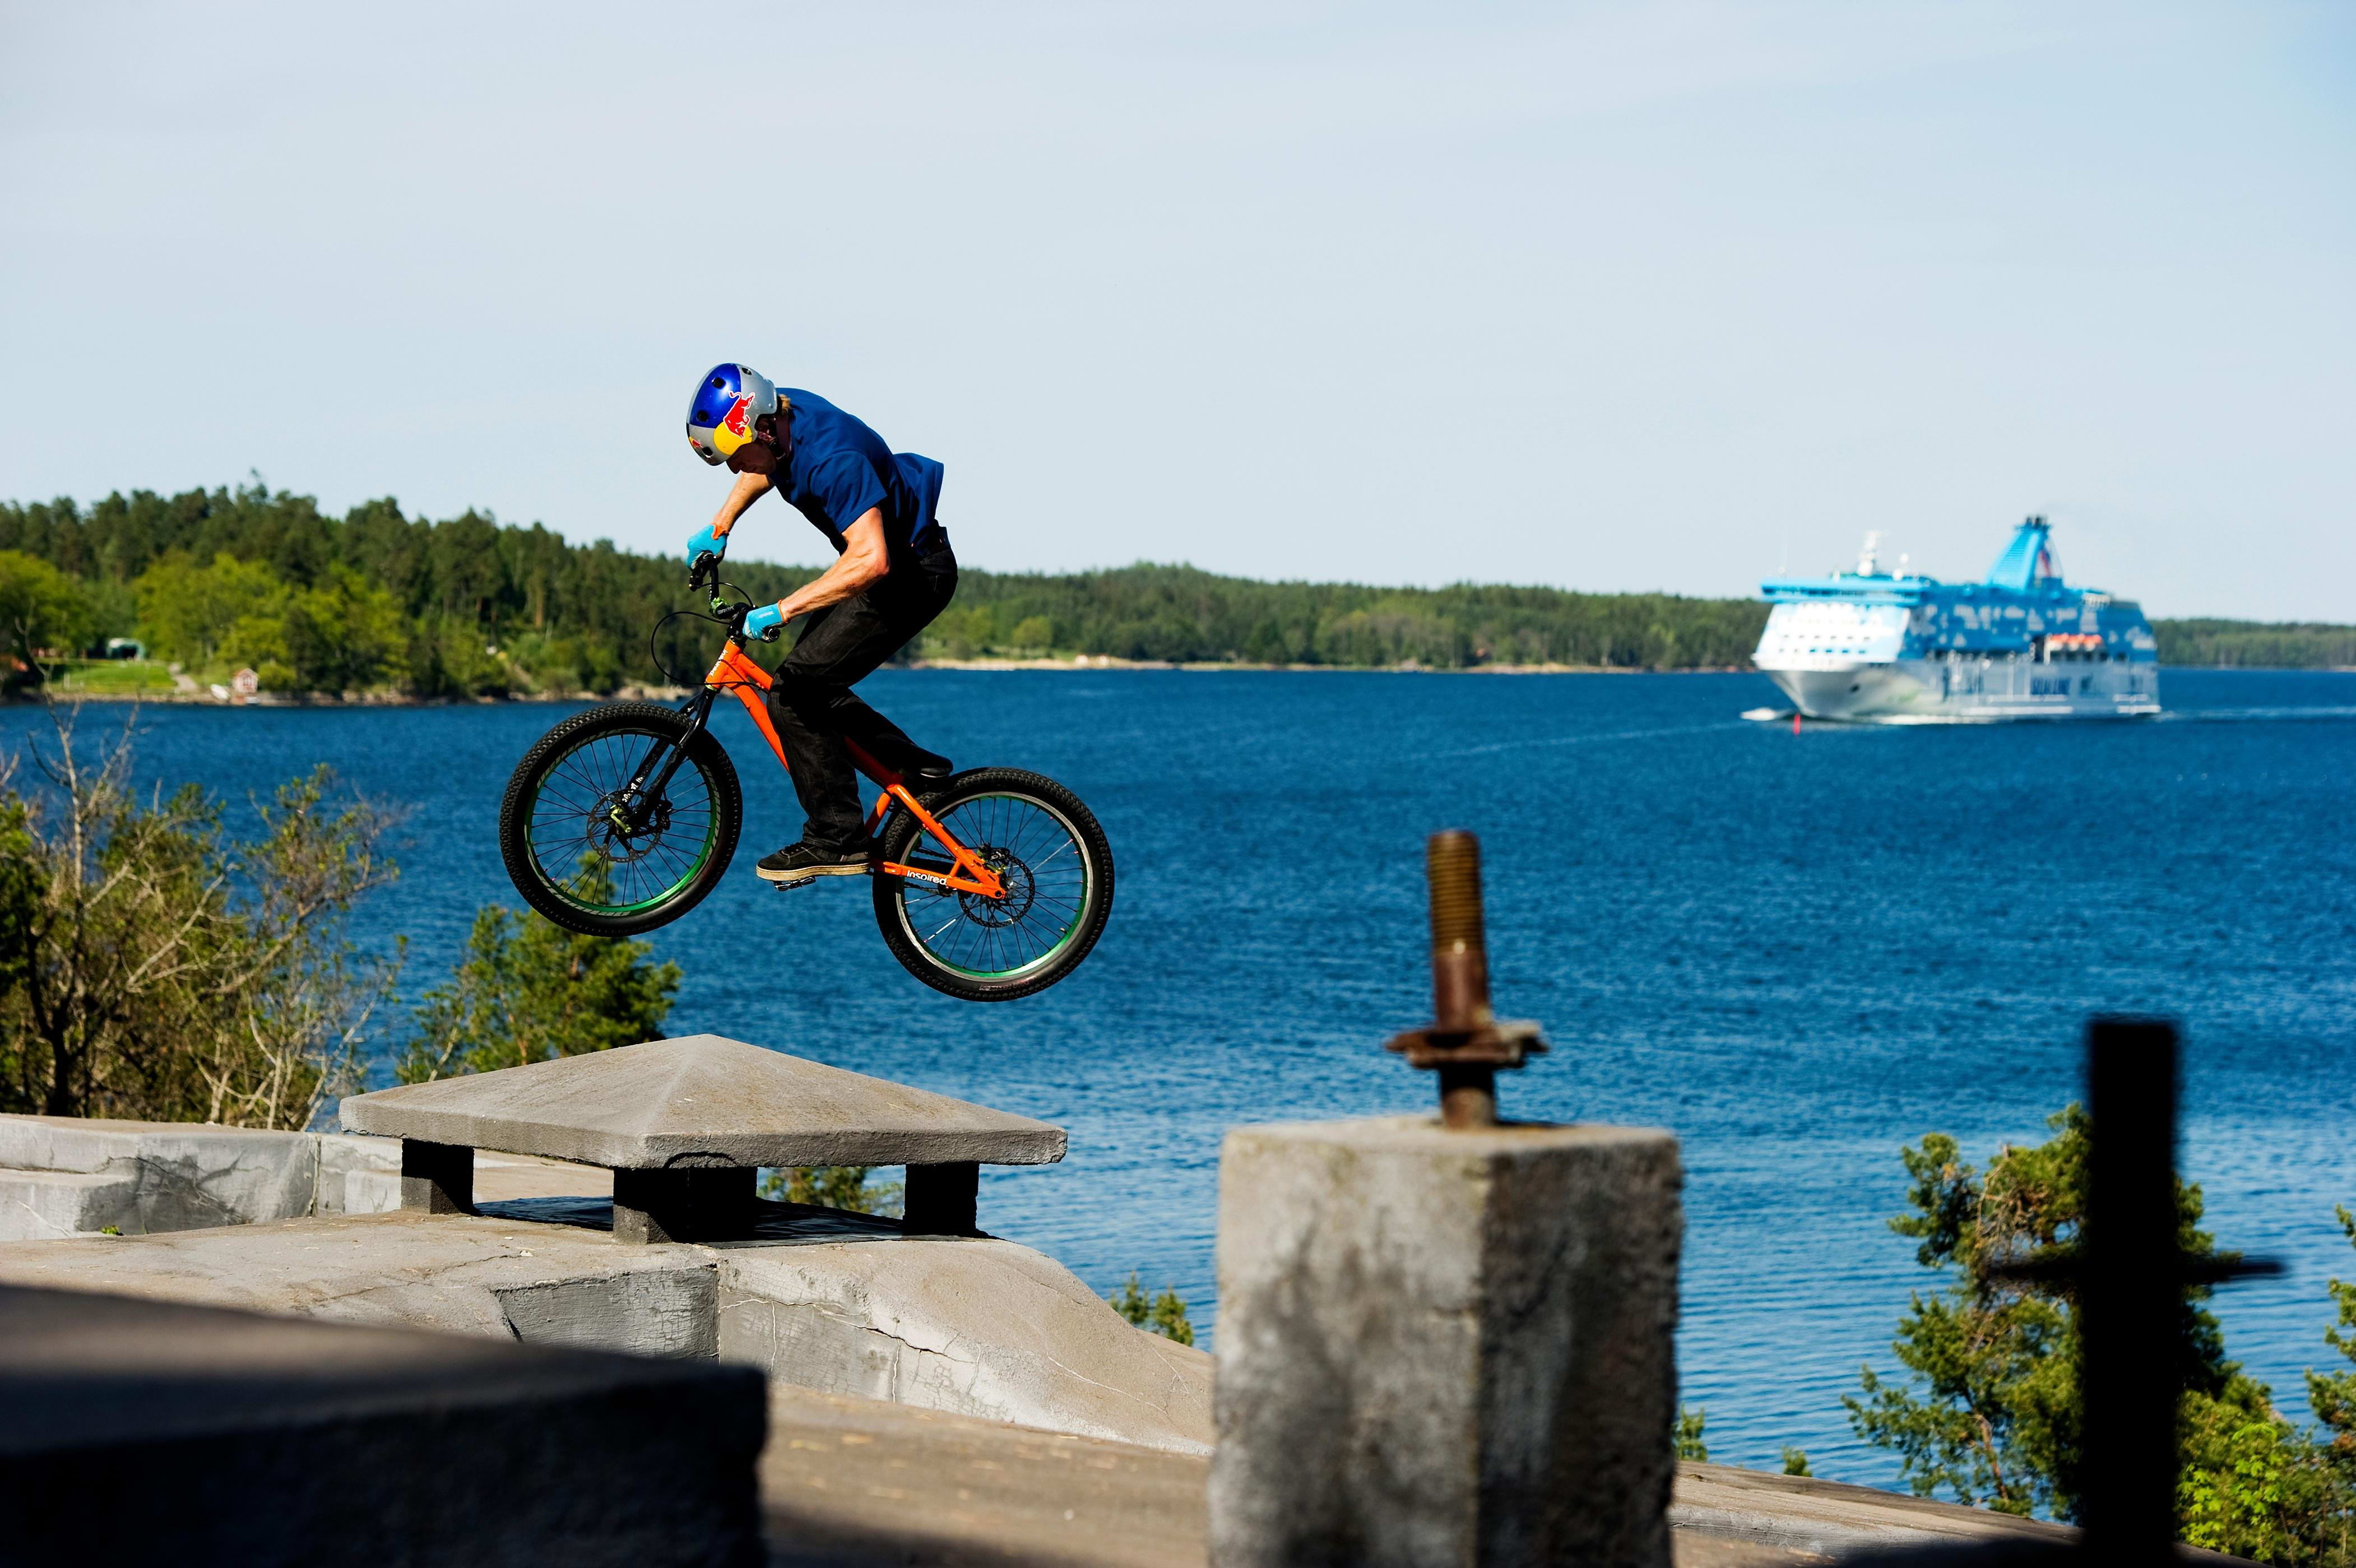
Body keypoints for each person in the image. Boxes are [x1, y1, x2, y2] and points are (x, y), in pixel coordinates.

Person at [681, 364, 959, 885]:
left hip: (909, 574)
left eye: (735, 455)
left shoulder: (834, 461)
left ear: (762, 428)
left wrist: (782, 610)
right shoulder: (785, 415)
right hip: (891, 569)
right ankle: (918, 770)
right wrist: (721, 524)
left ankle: (838, 840)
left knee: (793, 692)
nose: (734, 468)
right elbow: (768, 467)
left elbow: (872, 560)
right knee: (811, 681)